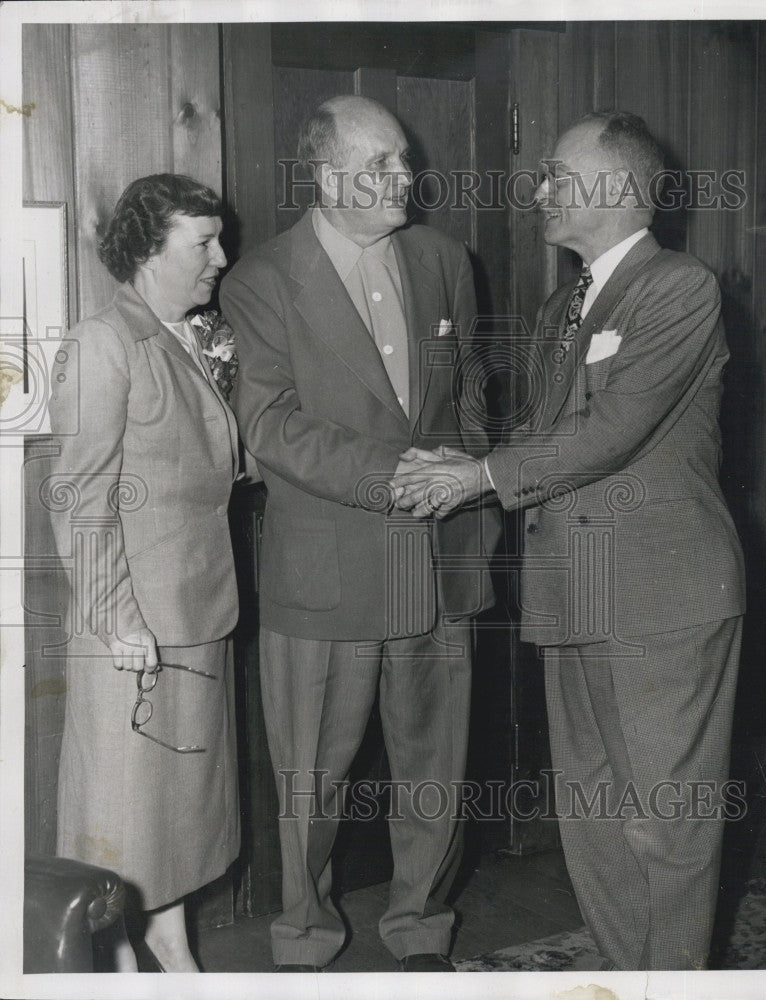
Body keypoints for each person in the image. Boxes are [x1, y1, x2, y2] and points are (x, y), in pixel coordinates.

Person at [392, 111, 746, 971]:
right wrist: (466, 458)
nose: (538, 189)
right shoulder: (563, 304)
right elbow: (547, 436)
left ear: (619, 190)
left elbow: (610, 430)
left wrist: (478, 479)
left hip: (658, 596)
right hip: (568, 589)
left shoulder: (678, 287)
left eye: (556, 174)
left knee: (663, 821)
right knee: (590, 814)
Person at [220, 95, 499, 973]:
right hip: (326, 574)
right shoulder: (261, 279)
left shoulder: (447, 259)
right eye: (380, 165)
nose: (404, 178)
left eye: (404, 159)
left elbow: (470, 396)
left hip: (440, 561)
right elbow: (270, 425)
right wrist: (396, 477)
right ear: (327, 176)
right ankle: (303, 941)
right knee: (311, 782)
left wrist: (471, 482)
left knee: (436, 771)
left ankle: (420, 932)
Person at [47, 174, 240, 972]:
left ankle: (164, 936)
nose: (221, 258)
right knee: (125, 816)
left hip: (193, 612)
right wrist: (117, 616)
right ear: (148, 251)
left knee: (177, 813)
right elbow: (80, 494)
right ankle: (121, 956)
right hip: (135, 627)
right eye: (203, 243)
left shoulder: (182, 333)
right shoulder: (104, 341)